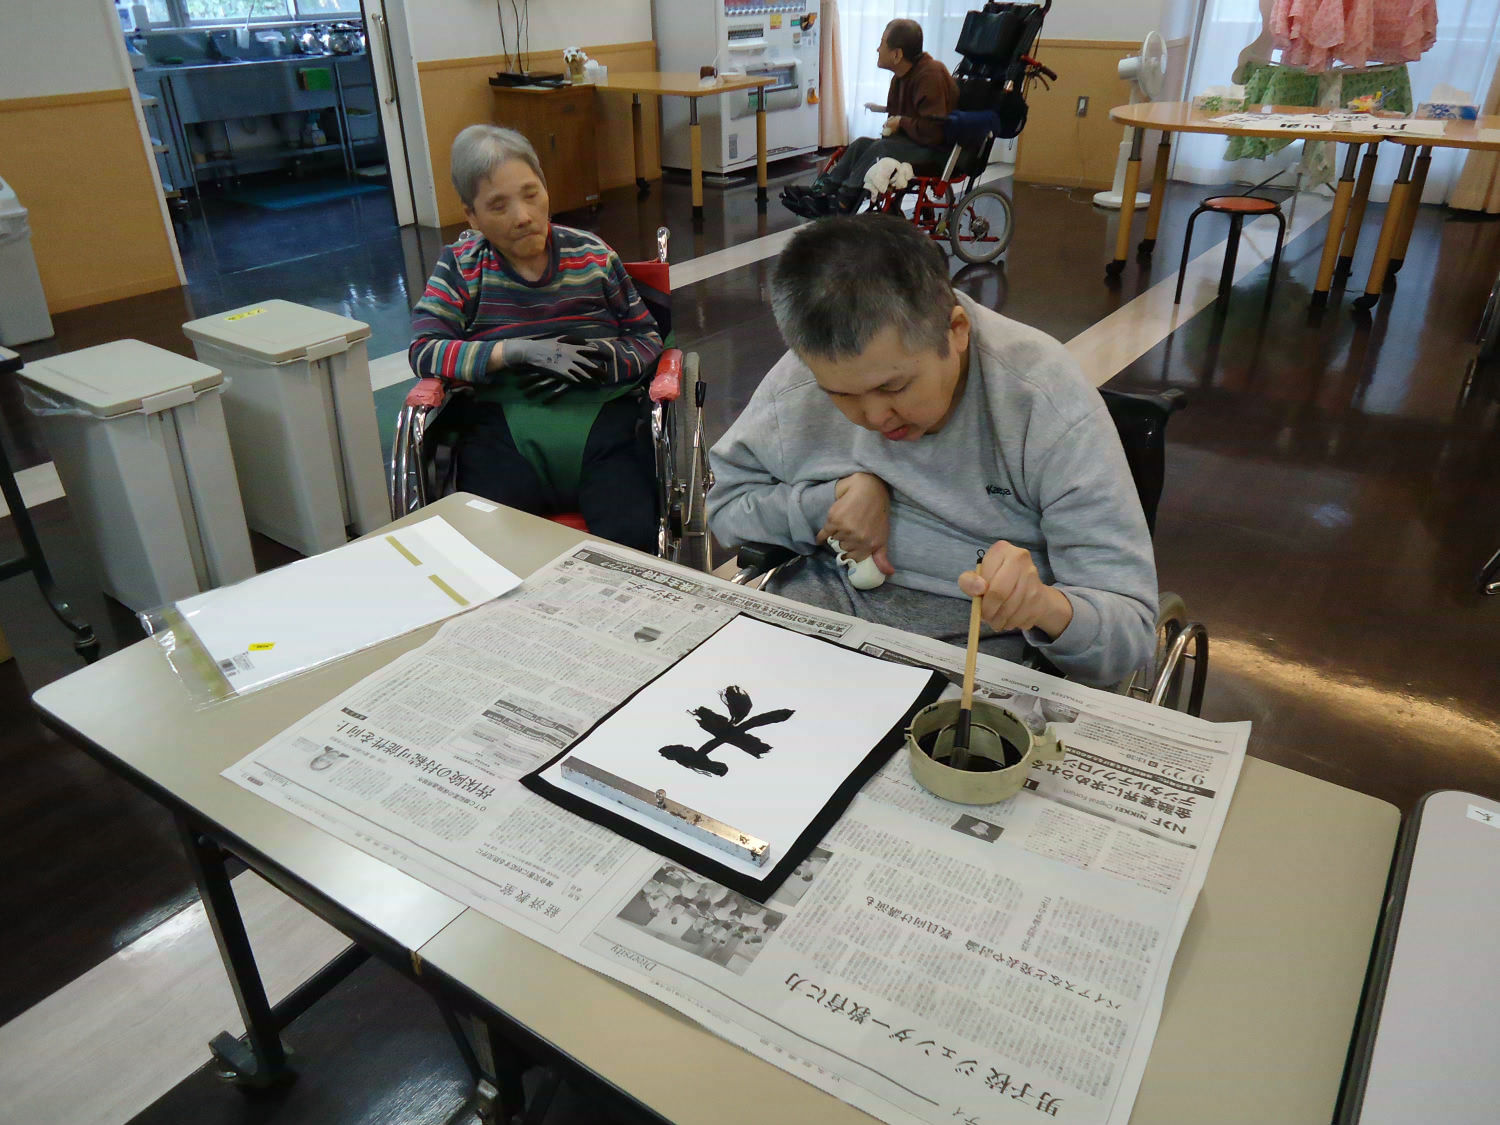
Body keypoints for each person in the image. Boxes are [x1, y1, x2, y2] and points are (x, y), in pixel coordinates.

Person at [707, 214, 1158, 687]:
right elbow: (727, 509)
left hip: (975, 659)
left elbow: (1127, 634)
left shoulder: (1042, 402)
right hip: (815, 630)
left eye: (894, 387)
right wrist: (831, 499)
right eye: (840, 395)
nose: (874, 418)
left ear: (956, 330)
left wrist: (1045, 606)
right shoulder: (807, 376)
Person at [409, 124, 663, 551]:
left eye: (531, 194)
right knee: (491, 550)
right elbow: (425, 349)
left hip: (602, 423)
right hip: (503, 432)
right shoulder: (462, 267)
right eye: (498, 205)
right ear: (471, 215)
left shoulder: (593, 255)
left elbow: (647, 336)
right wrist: (513, 352)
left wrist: (600, 358)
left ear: (545, 188)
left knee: (633, 542)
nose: (523, 216)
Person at [783, 19, 958, 217]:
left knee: (880, 148)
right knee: (860, 144)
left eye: (882, 43)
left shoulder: (931, 75)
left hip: (933, 151)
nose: (877, 49)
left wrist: (901, 122)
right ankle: (823, 190)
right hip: (911, 143)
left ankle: (843, 201)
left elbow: (934, 130)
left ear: (897, 54)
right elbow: (900, 116)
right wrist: (895, 120)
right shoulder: (901, 77)